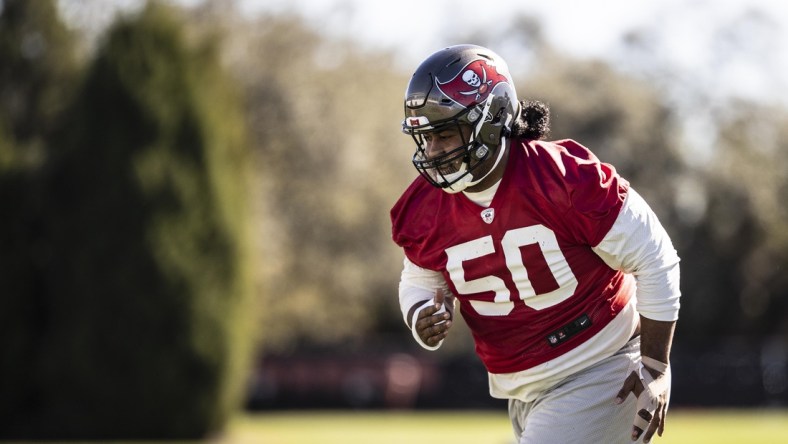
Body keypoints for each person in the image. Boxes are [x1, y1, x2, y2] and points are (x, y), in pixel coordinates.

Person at [390, 44, 681, 444]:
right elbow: (420, 279)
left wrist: (654, 365)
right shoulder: (423, 207)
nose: (433, 151)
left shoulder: (563, 178)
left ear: (488, 122)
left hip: (601, 365)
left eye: (444, 134)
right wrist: (420, 313)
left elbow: (656, 256)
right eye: (426, 138)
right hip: (524, 387)